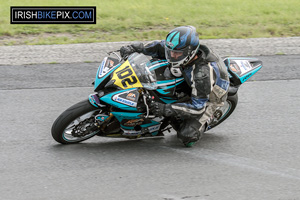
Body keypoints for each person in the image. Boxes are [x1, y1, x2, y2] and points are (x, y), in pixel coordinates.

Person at [120, 26, 229, 147]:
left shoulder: (201, 75)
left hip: (210, 96)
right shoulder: (178, 50)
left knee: (187, 136)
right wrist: (134, 48)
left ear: (190, 52)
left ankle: (209, 118)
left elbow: (197, 107)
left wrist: (164, 109)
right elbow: (158, 46)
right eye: (170, 51)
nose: (172, 55)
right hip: (191, 80)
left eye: (177, 53)